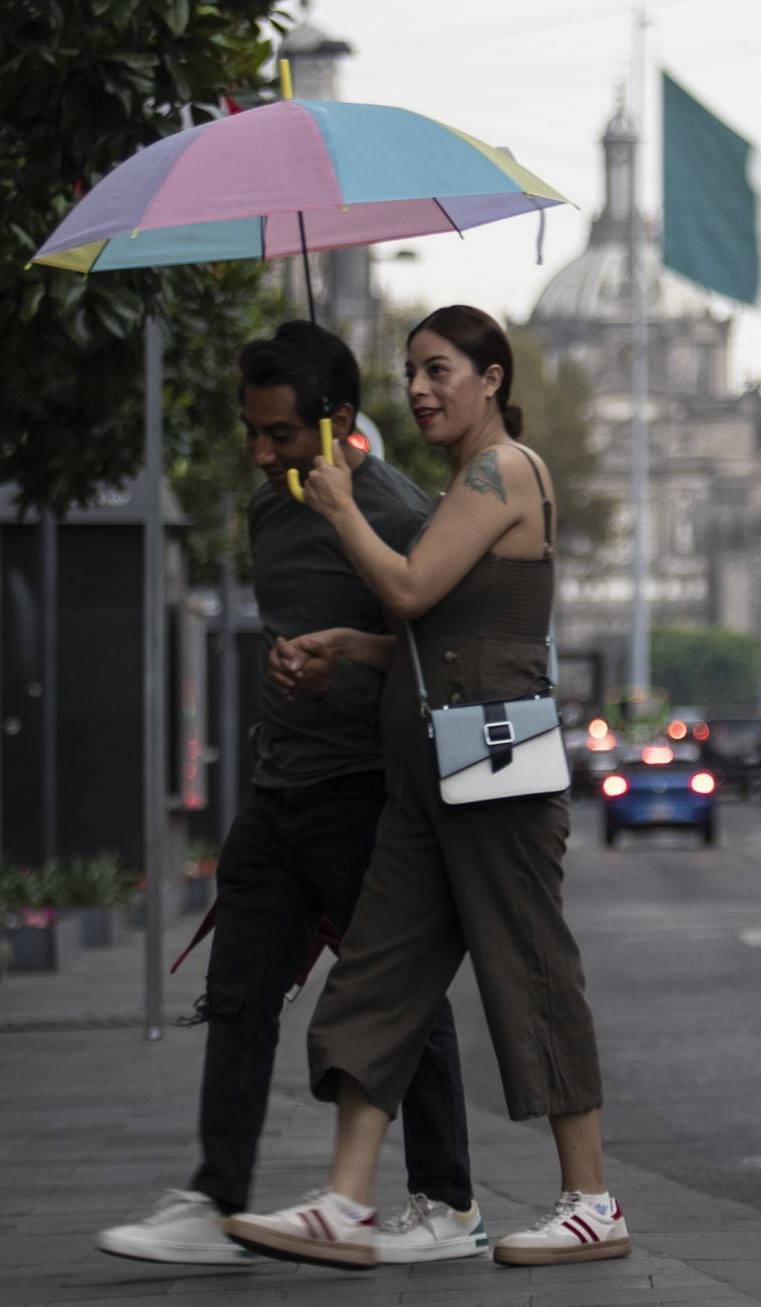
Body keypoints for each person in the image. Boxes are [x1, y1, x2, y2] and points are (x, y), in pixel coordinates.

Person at [226, 306, 625, 1270]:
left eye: (440, 369)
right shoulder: (461, 483)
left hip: (494, 754)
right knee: (381, 969)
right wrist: (347, 648)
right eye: (410, 371)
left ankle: (591, 1199)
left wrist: (340, 509)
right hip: (430, 765)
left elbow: (405, 590)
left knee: (527, 964)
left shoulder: (503, 470)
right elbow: (421, 631)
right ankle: (345, 1198)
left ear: (493, 378)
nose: (419, 389)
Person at [96, 320, 480, 1267]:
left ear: (339, 419)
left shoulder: (395, 512)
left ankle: (447, 1198)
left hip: (366, 796)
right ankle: (214, 1194)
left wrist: (338, 679)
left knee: (398, 997)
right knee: (237, 992)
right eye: (251, 433)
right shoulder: (268, 510)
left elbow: (447, 664)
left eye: (281, 434)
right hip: (279, 790)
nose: (263, 454)